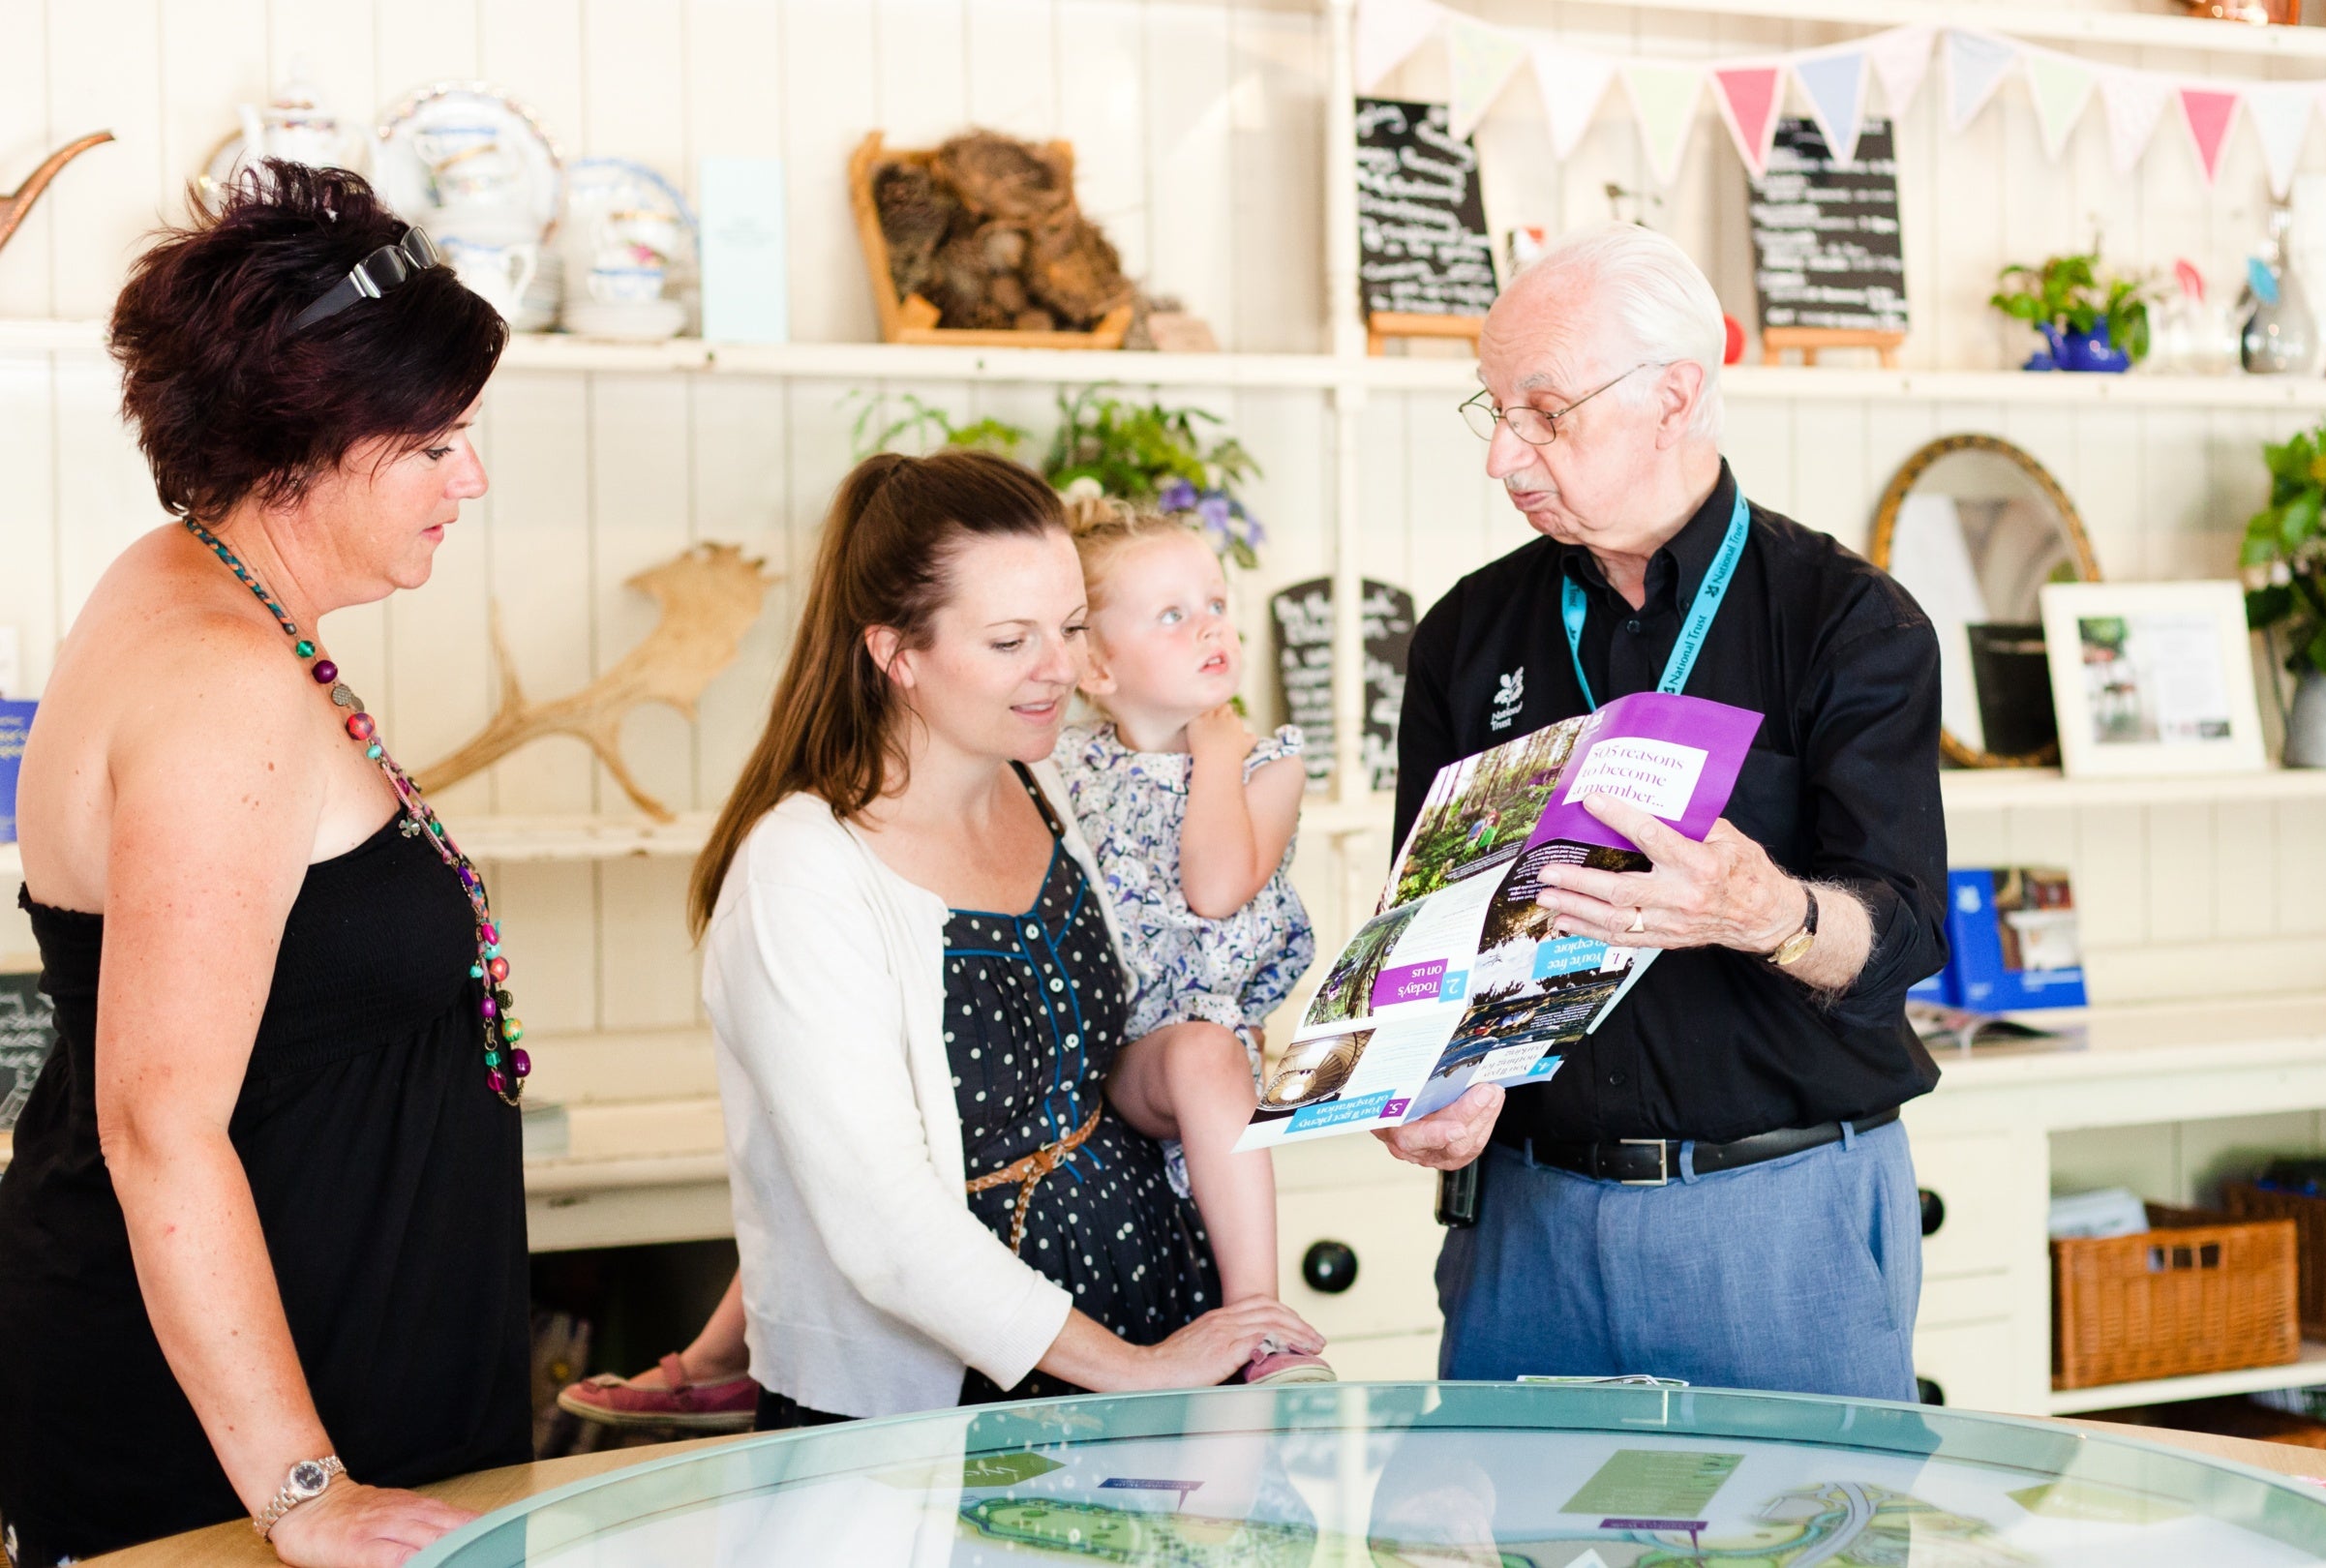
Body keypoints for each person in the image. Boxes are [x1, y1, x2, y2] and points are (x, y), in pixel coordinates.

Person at [0, 166, 526, 1566]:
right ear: (303, 443)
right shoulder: (220, 679)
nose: (469, 478)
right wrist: (301, 1490)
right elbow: (158, 1126)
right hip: (238, 1451)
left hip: (325, 1379)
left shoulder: (184, 581)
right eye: (434, 446)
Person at [562, 495, 1333, 1431]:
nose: (1060, 669)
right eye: (1012, 642)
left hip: (1153, 1294)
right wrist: (1131, 1369)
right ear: (898, 656)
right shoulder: (804, 868)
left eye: (1072, 629)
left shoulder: (1048, 782)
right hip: (970, 1377)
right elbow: (883, 1221)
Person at [1377, 222, 1949, 1399]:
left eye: (1544, 413)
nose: (1505, 459)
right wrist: (1427, 1079)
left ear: (1675, 397)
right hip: (1523, 1229)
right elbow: (1422, 937)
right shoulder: (1464, 634)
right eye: (1495, 415)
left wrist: (1766, 909)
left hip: (1779, 1214)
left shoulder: (1848, 622)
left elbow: (1901, 934)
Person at [1051, 497, 1327, 1382]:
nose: (1211, 627)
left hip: (1179, 1050)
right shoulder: (1063, 766)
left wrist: (1213, 752)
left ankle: (1261, 1323)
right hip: (1094, 1046)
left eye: (1214, 603)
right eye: (1173, 616)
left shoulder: (1266, 766)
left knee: (1210, 1055)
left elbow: (1214, 890)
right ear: (1096, 662)